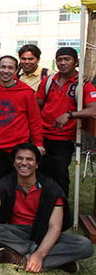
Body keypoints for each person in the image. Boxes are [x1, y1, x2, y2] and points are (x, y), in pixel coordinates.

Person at [0, 142, 94, 273]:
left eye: (29, 159)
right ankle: (57, 262)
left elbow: (55, 227)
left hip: (44, 232)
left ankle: (21, 259)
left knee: (85, 245)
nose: (24, 163)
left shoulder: (51, 188)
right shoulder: (5, 183)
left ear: (37, 164)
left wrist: (39, 255)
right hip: (16, 233)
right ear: (14, 163)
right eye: (19, 158)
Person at [36, 47, 96, 195]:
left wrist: (69, 115)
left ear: (76, 62)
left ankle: (60, 210)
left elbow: (93, 110)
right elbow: (36, 106)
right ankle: (42, 207)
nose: (63, 63)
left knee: (59, 174)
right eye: (59, 59)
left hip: (64, 138)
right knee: (40, 173)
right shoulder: (49, 81)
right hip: (42, 136)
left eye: (67, 59)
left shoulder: (83, 84)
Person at [0, 56, 44, 183]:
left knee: (19, 181)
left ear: (17, 70)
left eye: (10, 67)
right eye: (3, 67)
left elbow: (35, 120)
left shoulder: (27, 92)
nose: (6, 71)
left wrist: (38, 143)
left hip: (18, 147)